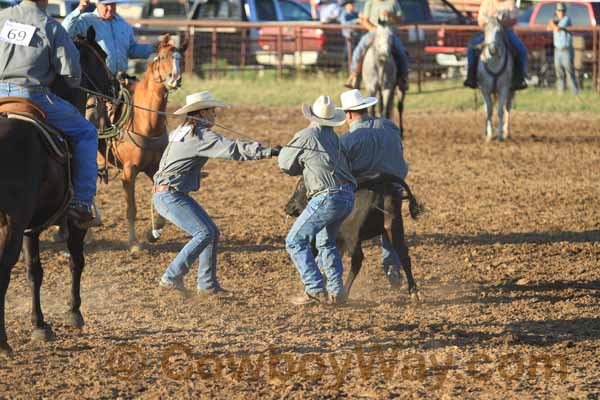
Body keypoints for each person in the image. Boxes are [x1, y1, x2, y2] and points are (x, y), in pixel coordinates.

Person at [153, 91, 279, 295]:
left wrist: (192, 174)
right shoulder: (200, 135)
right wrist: (267, 151)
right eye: (212, 110)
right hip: (170, 195)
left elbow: (174, 162)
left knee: (210, 232)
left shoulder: (181, 131)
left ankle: (207, 285)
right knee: (204, 232)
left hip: (167, 193)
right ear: (202, 113)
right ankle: (171, 277)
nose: (215, 115)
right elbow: (233, 149)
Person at [0, 0, 99, 226]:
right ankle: (82, 202)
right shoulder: (50, 26)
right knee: (86, 132)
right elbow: (72, 76)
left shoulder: (2, 18)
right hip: (31, 96)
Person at [278, 95, 356, 306]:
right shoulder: (335, 138)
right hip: (347, 196)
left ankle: (314, 288)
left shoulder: (306, 135)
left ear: (311, 116)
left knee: (294, 240)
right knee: (326, 242)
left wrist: (287, 153)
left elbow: (285, 165)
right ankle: (336, 290)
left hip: (326, 196)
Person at [338, 89, 408, 288]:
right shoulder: (390, 126)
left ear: (349, 114)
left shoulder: (347, 140)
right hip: (395, 184)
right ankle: (392, 264)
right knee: (390, 222)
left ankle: (336, 267)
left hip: (364, 193)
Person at [63, 0, 157, 76]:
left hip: (121, 79)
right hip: (97, 82)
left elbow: (131, 50)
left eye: (112, 4)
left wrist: (153, 48)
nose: (110, 8)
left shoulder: (122, 24)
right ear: (97, 4)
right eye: (106, 4)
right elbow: (65, 32)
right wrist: (80, 8)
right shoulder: (85, 21)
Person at [344, 0, 409, 91]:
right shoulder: (370, 3)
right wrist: (374, 29)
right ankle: (353, 77)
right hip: (373, 32)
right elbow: (365, 21)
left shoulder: (393, 3)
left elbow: (401, 19)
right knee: (358, 50)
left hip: (389, 32)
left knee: (401, 51)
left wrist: (391, 15)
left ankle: (404, 78)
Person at [464, 0, 528, 90]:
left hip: (506, 31)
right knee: (472, 48)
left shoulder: (510, 2)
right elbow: (480, 20)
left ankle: (520, 78)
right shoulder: (487, 2)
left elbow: (514, 19)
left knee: (521, 50)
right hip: (488, 31)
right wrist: (491, 23)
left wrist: (500, 23)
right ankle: (471, 77)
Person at [547, 3, 579, 96]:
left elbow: (557, 28)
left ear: (565, 11)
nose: (561, 12)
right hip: (557, 50)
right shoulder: (556, 20)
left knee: (569, 72)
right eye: (559, 10)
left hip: (566, 50)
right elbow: (549, 28)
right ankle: (560, 94)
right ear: (556, 11)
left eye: (562, 10)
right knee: (559, 73)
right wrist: (552, 24)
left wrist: (551, 22)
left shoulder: (566, 19)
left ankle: (575, 93)